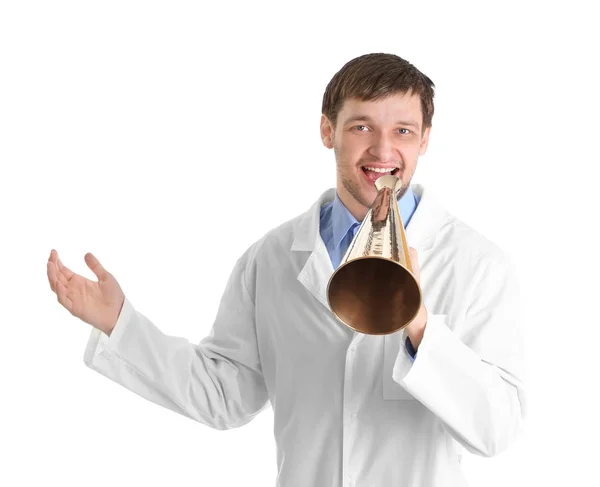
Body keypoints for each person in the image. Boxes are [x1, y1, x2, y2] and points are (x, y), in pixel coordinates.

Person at [47, 53, 526, 487]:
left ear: (424, 140)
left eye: (403, 130)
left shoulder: (476, 264)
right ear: (327, 131)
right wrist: (118, 322)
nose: (383, 151)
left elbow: (497, 429)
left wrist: (421, 329)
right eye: (361, 127)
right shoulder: (271, 258)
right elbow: (223, 394)